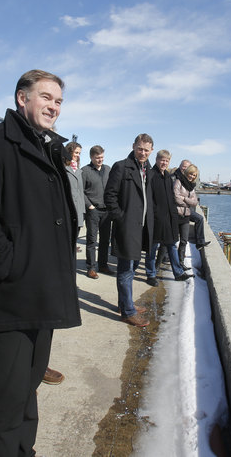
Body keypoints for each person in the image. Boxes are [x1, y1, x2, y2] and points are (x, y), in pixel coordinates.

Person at [0, 69, 81, 457]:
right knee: (7, 396)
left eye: (59, 101)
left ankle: (25, 450)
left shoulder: (48, 148)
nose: (54, 107)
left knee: (29, 385)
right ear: (22, 98)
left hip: (41, 291)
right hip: (6, 296)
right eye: (46, 97)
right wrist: (9, 267)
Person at [104, 134, 155, 327]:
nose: (143, 152)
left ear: (151, 151)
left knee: (133, 268)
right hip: (127, 226)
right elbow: (110, 195)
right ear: (134, 146)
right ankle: (127, 312)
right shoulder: (121, 166)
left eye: (146, 149)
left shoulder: (147, 169)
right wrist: (120, 217)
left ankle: (124, 303)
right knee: (126, 270)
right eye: (140, 148)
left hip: (141, 227)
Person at [144, 150, 191, 285]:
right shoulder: (151, 175)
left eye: (167, 161)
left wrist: (174, 216)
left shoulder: (168, 177)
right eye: (162, 160)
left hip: (169, 219)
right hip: (156, 219)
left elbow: (171, 199)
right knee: (152, 249)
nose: (164, 163)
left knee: (171, 246)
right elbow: (149, 198)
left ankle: (178, 273)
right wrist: (154, 215)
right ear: (157, 159)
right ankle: (151, 275)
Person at [81, 144, 114, 278]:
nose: (100, 160)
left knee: (105, 240)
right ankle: (91, 268)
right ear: (91, 157)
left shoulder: (108, 169)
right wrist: (90, 206)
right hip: (93, 211)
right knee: (91, 240)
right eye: (97, 157)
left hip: (106, 211)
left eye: (102, 157)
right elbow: (80, 191)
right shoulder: (85, 171)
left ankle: (103, 265)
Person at [173, 163, 210, 266]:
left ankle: (181, 263)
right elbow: (176, 198)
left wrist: (184, 198)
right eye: (191, 174)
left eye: (194, 175)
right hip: (176, 214)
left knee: (184, 241)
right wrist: (188, 202)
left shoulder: (191, 187)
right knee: (171, 241)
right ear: (186, 172)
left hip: (186, 214)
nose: (192, 176)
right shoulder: (178, 181)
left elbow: (195, 202)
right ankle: (160, 263)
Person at [63, 141, 85, 253]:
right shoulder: (62, 168)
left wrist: (83, 210)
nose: (78, 155)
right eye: (76, 152)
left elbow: (81, 191)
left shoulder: (79, 171)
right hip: (68, 209)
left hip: (79, 211)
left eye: (79, 153)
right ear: (69, 152)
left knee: (73, 239)